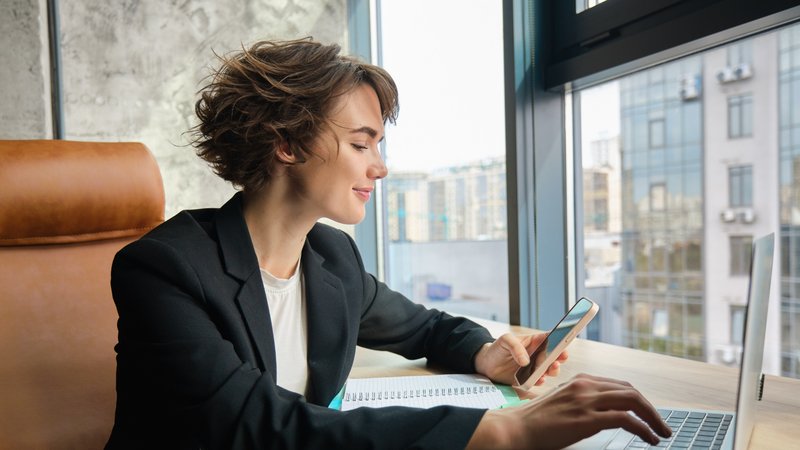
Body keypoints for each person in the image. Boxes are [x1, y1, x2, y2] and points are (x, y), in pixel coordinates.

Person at [105, 37, 671, 449]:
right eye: (361, 144)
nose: (381, 168)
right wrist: (500, 430)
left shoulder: (330, 257)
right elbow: (252, 427)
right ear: (285, 145)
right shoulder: (164, 268)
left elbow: (424, 327)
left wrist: (485, 353)